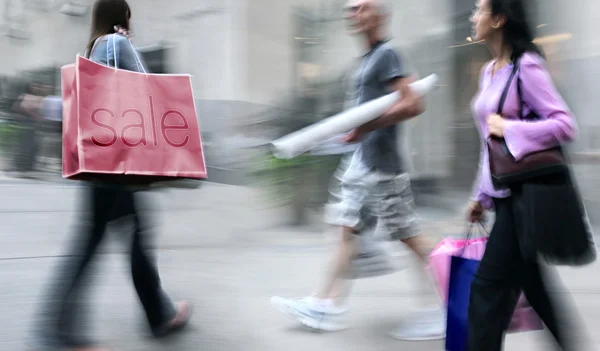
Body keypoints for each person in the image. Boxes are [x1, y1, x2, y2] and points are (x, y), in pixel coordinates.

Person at [271, 0, 445, 340]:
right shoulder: (367, 60)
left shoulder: (388, 55)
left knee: (410, 238)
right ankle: (326, 305)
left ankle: (444, 306)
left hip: (383, 168)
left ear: (379, 15)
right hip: (364, 164)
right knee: (346, 227)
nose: (352, 13)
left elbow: (413, 103)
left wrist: (367, 126)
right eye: (349, 9)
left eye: (360, 7)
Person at [29, 1, 192, 350]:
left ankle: (158, 314)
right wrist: (130, 47)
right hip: (114, 165)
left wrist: (44, 107)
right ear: (123, 15)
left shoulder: (94, 47)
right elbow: (142, 92)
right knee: (99, 242)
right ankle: (57, 333)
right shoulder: (116, 44)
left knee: (133, 237)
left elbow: (87, 102)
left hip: (105, 162)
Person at [467, 0, 582, 349]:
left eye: (479, 9)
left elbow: (565, 125)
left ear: (499, 18)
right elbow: (489, 145)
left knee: (485, 292)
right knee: (535, 289)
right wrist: (480, 196)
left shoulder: (526, 66)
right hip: (503, 198)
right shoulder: (488, 71)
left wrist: (511, 128)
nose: (474, 16)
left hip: (524, 200)